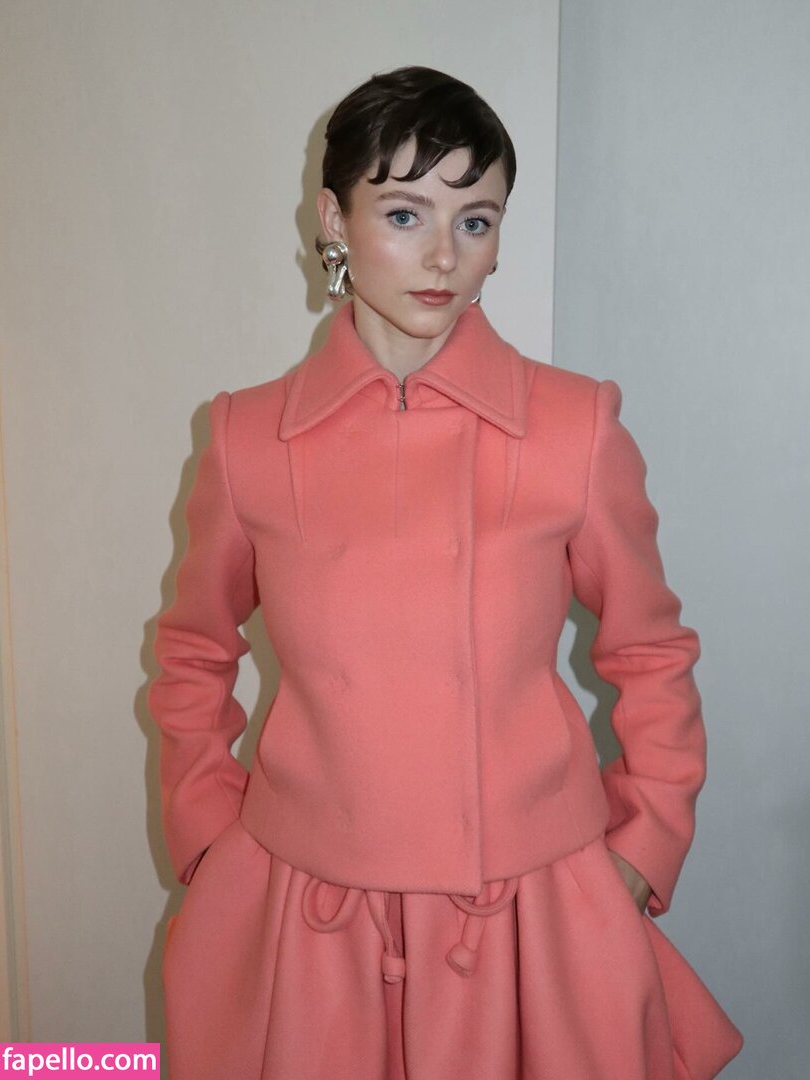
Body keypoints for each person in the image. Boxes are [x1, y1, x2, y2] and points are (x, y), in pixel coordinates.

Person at [147, 65, 743, 1080]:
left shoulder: (571, 428)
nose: (442, 257)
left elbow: (650, 654)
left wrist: (639, 850)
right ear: (332, 220)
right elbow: (192, 652)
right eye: (403, 213)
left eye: (475, 221)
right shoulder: (248, 439)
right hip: (310, 914)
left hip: (523, 914)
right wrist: (207, 835)